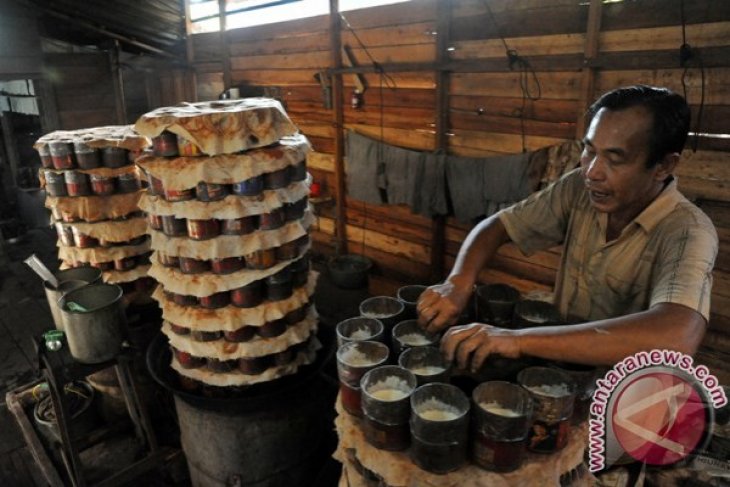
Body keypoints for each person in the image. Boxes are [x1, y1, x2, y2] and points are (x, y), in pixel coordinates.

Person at [417, 85, 718, 372]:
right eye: (589, 150)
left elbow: (677, 335)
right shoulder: (578, 188)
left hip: (627, 394)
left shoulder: (688, 231)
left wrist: (517, 340)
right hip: (560, 371)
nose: (592, 171)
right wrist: (458, 282)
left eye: (615, 159)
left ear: (664, 166)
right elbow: (499, 226)